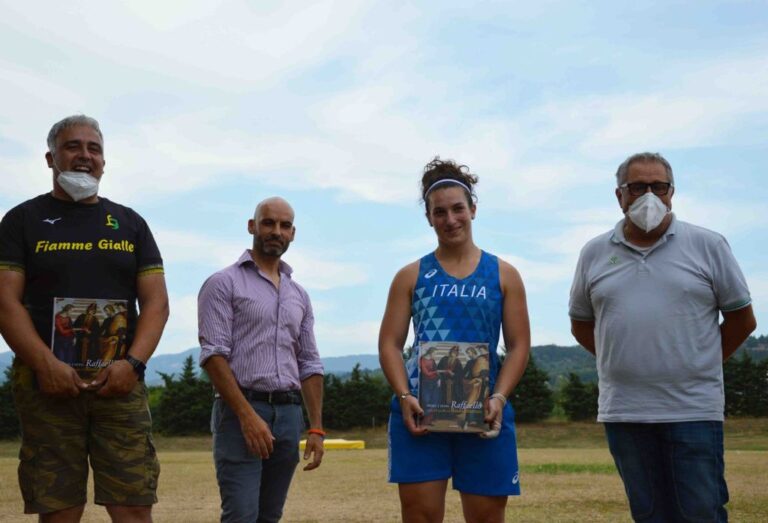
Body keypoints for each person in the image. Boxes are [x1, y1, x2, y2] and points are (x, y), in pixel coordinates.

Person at [569, 152, 757, 522]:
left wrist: (698, 359)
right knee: (649, 514)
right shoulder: (593, 253)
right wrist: (621, 360)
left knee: (700, 512)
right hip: (626, 412)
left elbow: (741, 319)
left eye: (659, 186)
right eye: (637, 187)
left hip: (692, 409)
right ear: (619, 195)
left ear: (673, 192)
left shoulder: (708, 246)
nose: (649, 196)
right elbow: (581, 324)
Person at [0, 115, 169, 522]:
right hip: (48, 387)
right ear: (50, 158)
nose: (84, 156)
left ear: (104, 162)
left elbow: (157, 304)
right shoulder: (22, 221)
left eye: (94, 149)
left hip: (119, 385)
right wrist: (45, 365)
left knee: (132, 506)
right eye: (73, 146)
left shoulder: (130, 224)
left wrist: (133, 364)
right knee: (59, 509)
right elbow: (5, 301)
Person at [379, 157, 531, 522]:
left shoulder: (504, 275)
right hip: (421, 414)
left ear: (473, 209)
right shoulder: (410, 276)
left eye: (458, 209)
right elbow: (389, 343)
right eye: (440, 212)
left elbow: (519, 345)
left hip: (485, 414)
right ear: (429, 217)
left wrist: (498, 396)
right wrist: (404, 396)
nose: (450, 220)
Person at [198, 196, 325, 522]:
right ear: (252, 226)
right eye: (268, 223)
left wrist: (316, 427)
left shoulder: (299, 295)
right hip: (240, 411)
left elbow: (309, 362)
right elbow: (214, 355)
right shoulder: (222, 283)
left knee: (270, 516)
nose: (276, 231)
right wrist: (247, 416)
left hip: (289, 414)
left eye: (284, 225)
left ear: (293, 233)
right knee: (241, 515)